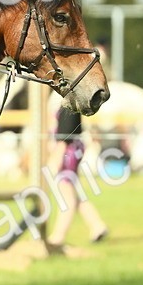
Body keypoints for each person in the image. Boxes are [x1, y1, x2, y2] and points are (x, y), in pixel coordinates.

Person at [45, 106, 108, 253]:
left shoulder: (68, 106)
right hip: (72, 151)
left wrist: (55, 160)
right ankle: (97, 226)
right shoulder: (70, 105)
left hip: (67, 154)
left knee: (67, 197)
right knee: (73, 193)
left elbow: (64, 136)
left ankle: (58, 237)